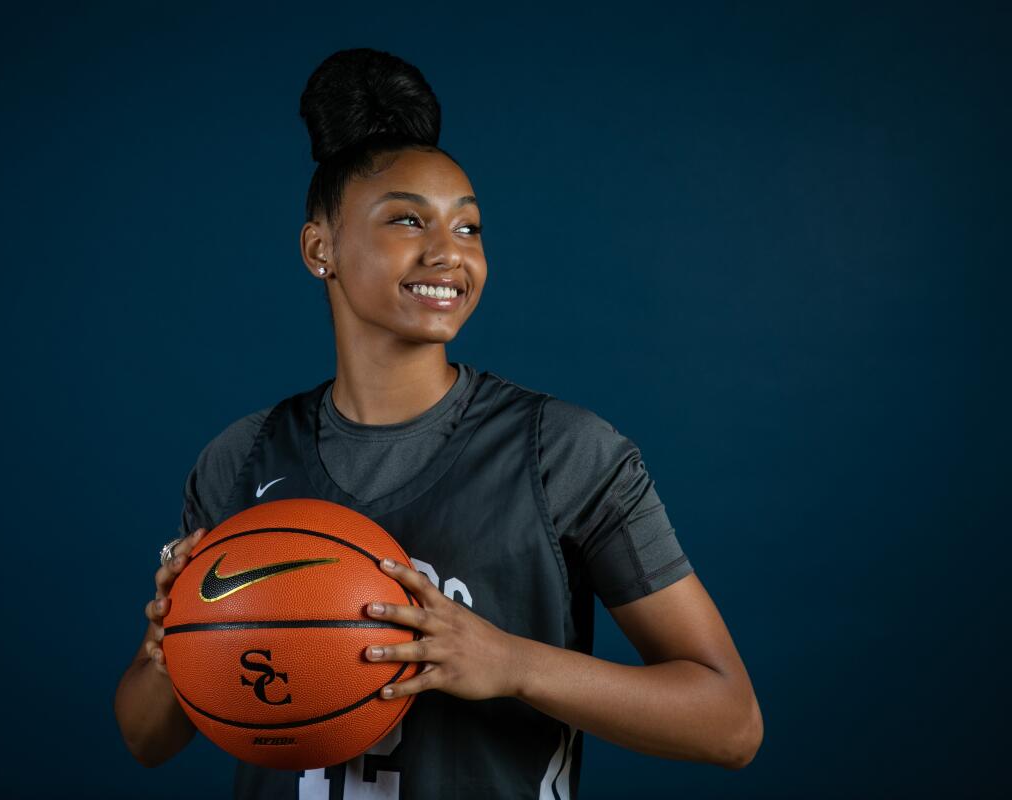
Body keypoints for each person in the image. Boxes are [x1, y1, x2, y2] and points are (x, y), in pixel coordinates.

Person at [114, 47, 763, 798]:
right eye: (406, 220)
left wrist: (512, 663)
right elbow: (146, 738)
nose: (448, 255)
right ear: (320, 248)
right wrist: (175, 642)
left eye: (469, 228)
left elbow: (731, 722)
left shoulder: (563, 452)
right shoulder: (242, 458)